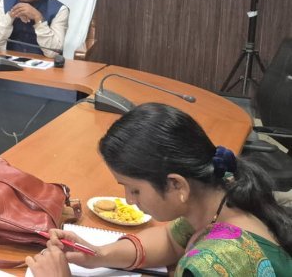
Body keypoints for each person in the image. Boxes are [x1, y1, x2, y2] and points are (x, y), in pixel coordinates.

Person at [26, 103, 292, 276]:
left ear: (177, 184)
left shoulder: (214, 265)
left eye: (135, 190)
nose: (129, 200)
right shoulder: (221, 196)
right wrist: (98, 255)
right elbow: (170, 240)